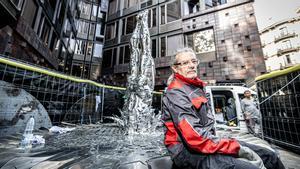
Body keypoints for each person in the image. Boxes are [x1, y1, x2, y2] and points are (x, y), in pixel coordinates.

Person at [162, 48, 285, 169]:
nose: (191, 65)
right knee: (248, 166)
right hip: (185, 153)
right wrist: (234, 147)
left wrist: (227, 142)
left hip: (206, 143)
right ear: (175, 68)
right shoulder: (176, 92)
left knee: (270, 156)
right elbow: (195, 137)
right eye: (185, 63)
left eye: (194, 61)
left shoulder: (196, 86)